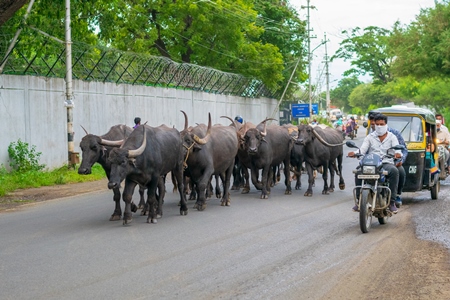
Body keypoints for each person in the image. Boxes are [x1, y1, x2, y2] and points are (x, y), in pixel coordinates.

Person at [348, 113, 403, 213]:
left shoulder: (392, 137)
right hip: (371, 163)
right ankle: (358, 201)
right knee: (358, 171)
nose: (379, 126)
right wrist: (355, 153)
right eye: (377, 124)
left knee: (394, 171)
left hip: (386, 163)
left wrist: (398, 154)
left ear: (386, 124)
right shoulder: (370, 137)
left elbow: (397, 150)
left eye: (382, 124)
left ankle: (392, 202)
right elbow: (362, 150)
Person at [368, 112, 408, 206]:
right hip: (374, 163)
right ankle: (362, 196)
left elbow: (403, 149)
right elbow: (365, 150)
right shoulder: (371, 136)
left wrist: (400, 160)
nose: (376, 126)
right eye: (373, 124)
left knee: (400, 172)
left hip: (391, 162)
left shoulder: (394, 134)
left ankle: (396, 195)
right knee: (359, 171)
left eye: (379, 124)